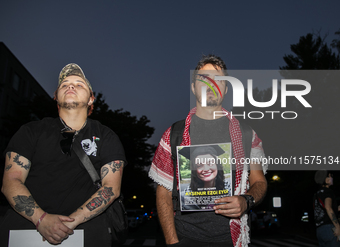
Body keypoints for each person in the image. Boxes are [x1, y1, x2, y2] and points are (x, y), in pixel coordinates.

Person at [1, 63, 126, 247]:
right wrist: (41, 219)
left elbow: (111, 188)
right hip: (25, 230)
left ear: (91, 99)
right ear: (55, 97)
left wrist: (69, 223)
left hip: (87, 232)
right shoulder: (30, 131)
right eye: (64, 84)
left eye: (79, 84)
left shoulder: (106, 135)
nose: (70, 86)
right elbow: (11, 181)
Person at [148, 54, 267, 247]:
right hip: (185, 236)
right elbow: (163, 194)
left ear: (226, 89)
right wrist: (172, 241)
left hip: (231, 239)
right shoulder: (174, 133)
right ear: (193, 88)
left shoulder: (246, 134)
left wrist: (247, 201)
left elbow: (259, 181)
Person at [314, 170, 340, 246]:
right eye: (330, 176)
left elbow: (323, 209)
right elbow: (328, 207)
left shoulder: (317, 194)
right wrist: (338, 226)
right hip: (329, 228)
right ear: (326, 179)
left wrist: (336, 208)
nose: (332, 178)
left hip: (319, 230)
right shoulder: (328, 191)